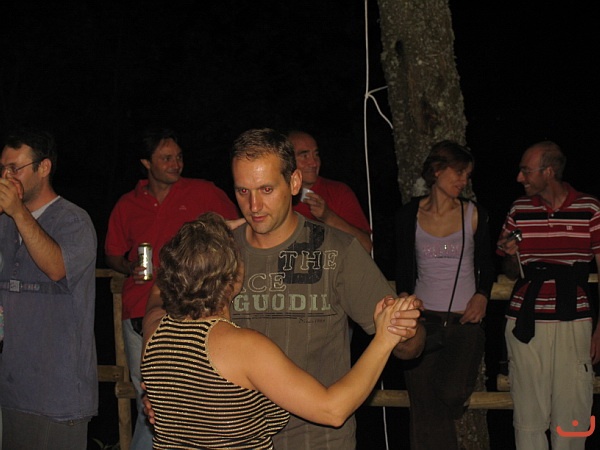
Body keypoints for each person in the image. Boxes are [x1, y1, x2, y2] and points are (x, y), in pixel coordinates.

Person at [144, 128, 424, 450]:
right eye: (243, 191)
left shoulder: (338, 251)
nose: (254, 205)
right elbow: (166, 320)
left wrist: (406, 330)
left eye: (266, 189)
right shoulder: (221, 254)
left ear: (294, 183)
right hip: (233, 440)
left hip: (318, 440)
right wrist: (162, 391)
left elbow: (410, 346)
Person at [104, 128, 239, 449]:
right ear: (146, 163)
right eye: (166, 158)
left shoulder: (203, 192)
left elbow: (237, 229)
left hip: (193, 311)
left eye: (178, 157)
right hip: (139, 312)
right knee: (148, 397)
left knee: (188, 398)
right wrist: (129, 267)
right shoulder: (128, 204)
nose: (176, 164)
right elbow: (112, 253)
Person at [497, 141, 600, 450]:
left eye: (526, 171)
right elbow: (511, 271)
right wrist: (510, 254)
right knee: (528, 415)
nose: (519, 178)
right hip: (525, 320)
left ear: (549, 172)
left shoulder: (589, 208)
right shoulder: (519, 209)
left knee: (572, 413)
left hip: (574, 319)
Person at [0, 127, 98, 449]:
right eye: (2, 169)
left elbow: (57, 267)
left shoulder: (74, 221)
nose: (6, 177)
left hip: (59, 398)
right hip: (11, 392)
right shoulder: (3, 223)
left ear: (43, 168)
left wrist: (18, 211)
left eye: (15, 168)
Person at [395, 140, 494, 450]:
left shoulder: (474, 214)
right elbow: (401, 266)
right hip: (424, 320)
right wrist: (404, 298)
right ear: (437, 170)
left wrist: (482, 294)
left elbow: (487, 263)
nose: (464, 181)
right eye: (459, 172)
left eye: (467, 175)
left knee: (449, 393)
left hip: (464, 322)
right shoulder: (409, 215)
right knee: (424, 407)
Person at [288, 130, 373, 253]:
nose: (314, 163)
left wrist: (328, 217)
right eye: (304, 156)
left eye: (316, 155)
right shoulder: (274, 194)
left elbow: (366, 246)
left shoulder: (338, 191)